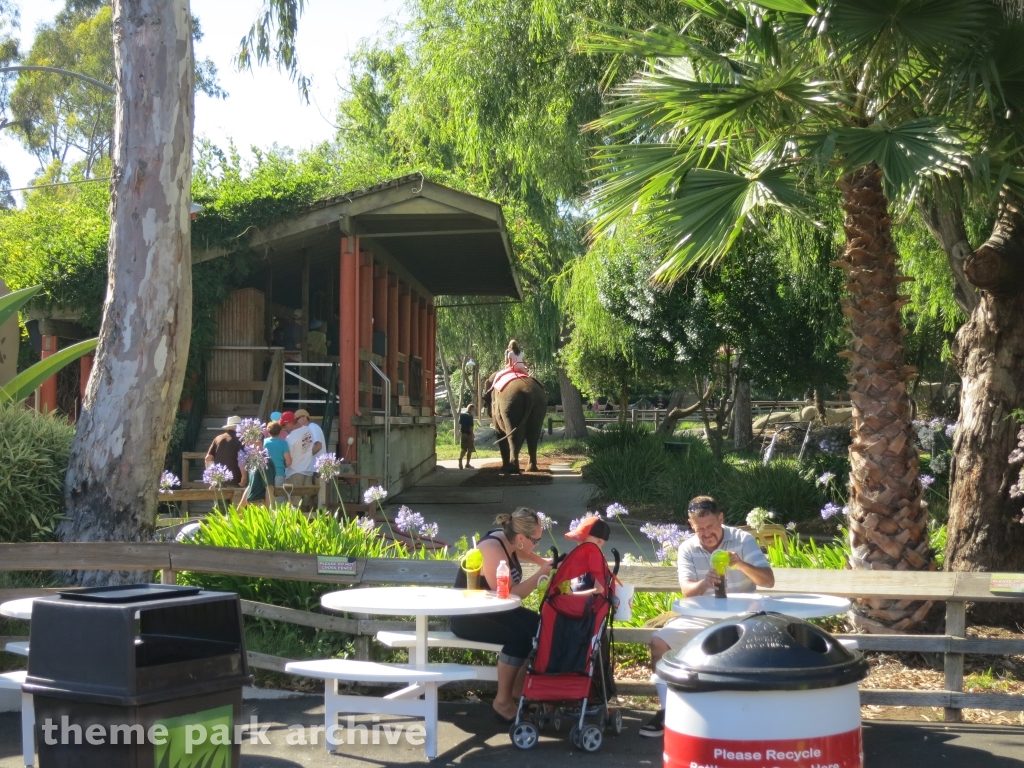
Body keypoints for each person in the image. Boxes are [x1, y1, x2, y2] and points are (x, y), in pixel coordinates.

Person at [639, 496, 775, 738]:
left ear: (721, 519)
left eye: (711, 526)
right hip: (701, 616)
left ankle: (747, 717)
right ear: (691, 525)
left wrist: (741, 564)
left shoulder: (742, 540)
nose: (706, 533)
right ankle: (667, 712)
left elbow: (768, 580)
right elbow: (687, 592)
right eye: (699, 528)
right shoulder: (688, 547)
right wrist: (705, 581)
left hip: (742, 617)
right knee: (659, 641)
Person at [450, 508, 553, 723]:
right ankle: (502, 701)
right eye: (537, 540)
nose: (538, 544)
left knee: (541, 625)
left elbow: (525, 551)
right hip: (468, 615)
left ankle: (518, 691)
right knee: (518, 637)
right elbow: (508, 594)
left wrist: (545, 562)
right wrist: (541, 574)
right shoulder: (491, 547)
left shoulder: (510, 539)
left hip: (493, 611)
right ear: (522, 537)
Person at [564, 515, 612, 595]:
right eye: (578, 539)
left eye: (584, 539)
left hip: (587, 606)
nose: (579, 542)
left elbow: (599, 590)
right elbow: (556, 565)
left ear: (599, 542)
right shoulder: (580, 558)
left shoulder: (599, 562)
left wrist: (572, 595)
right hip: (572, 604)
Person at [204, 416, 244, 488]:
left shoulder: (218, 438)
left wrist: (212, 478)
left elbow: (208, 458)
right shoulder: (241, 439)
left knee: (220, 499)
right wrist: (244, 476)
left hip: (218, 480)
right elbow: (241, 458)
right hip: (236, 480)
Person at [281, 411, 315, 486]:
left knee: (295, 497)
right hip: (308, 471)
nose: (284, 427)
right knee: (307, 497)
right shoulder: (307, 430)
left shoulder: (289, 438)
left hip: (295, 473)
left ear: (289, 424)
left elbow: (288, 460)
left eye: (284, 425)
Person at [264, 421, 290, 487]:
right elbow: (288, 461)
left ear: (268, 431)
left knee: (268, 495)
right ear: (280, 431)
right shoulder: (284, 443)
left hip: (267, 473)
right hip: (279, 472)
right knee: (279, 496)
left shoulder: (264, 442)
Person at [458, 404, 476, 470]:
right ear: (471, 409)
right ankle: (467, 464)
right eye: (473, 409)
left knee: (464, 448)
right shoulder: (470, 416)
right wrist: (472, 435)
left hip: (463, 434)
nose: (473, 411)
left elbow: (460, 423)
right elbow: (470, 427)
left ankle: (460, 459)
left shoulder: (462, 415)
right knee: (470, 449)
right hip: (468, 434)